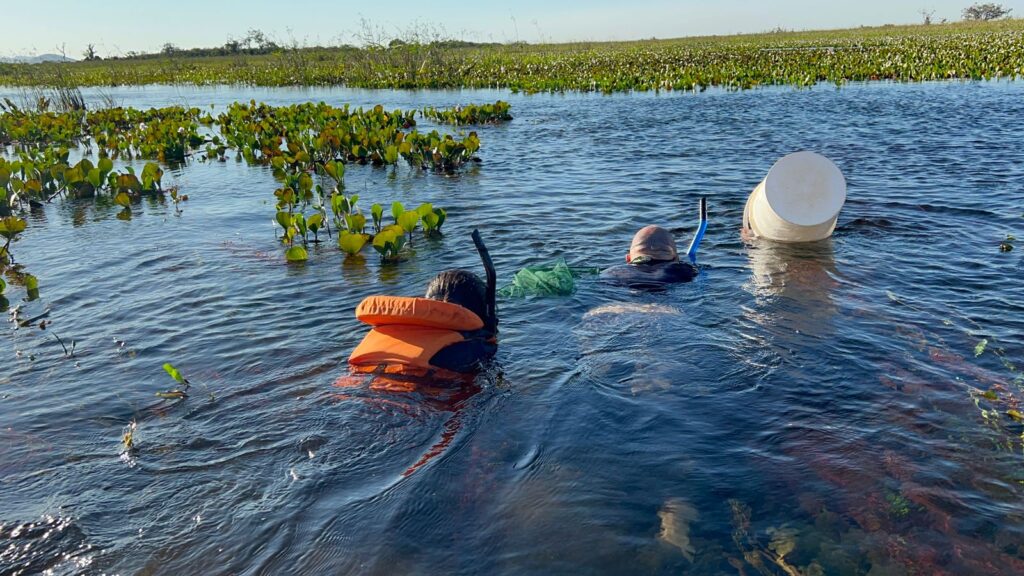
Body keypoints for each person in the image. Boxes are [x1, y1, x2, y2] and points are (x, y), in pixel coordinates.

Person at [346, 229, 498, 382]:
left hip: (356, 385)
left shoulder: (388, 335)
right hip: (419, 397)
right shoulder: (473, 348)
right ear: (479, 314)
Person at [601, 197, 707, 290]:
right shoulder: (686, 270)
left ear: (628, 259)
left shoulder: (612, 272)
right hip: (665, 305)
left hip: (620, 301)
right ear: (676, 258)